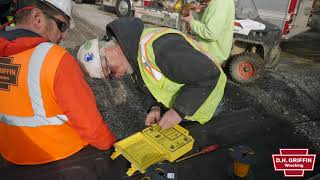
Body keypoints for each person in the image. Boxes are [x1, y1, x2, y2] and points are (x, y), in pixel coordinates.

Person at [0, 0, 115, 166]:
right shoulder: (56, 59)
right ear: (37, 18)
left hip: (10, 158)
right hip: (62, 159)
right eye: (62, 26)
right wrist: (114, 147)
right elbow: (93, 130)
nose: (64, 35)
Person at [77, 17, 227, 130]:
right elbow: (147, 85)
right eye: (109, 76)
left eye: (109, 70)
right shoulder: (131, 56)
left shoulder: (163, 50)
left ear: (109, 51)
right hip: (188, 105)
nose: (115, 76)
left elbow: (209, 75)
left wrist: (178, 111)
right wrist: (155, 107)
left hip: (208, 103)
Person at [181, 0, 235, 66]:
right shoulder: (218, 3)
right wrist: (201, 12)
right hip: (207, 54)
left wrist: (191, 21)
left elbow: (210, 33)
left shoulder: (220, 3)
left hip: (211, 57)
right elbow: (209, 23)